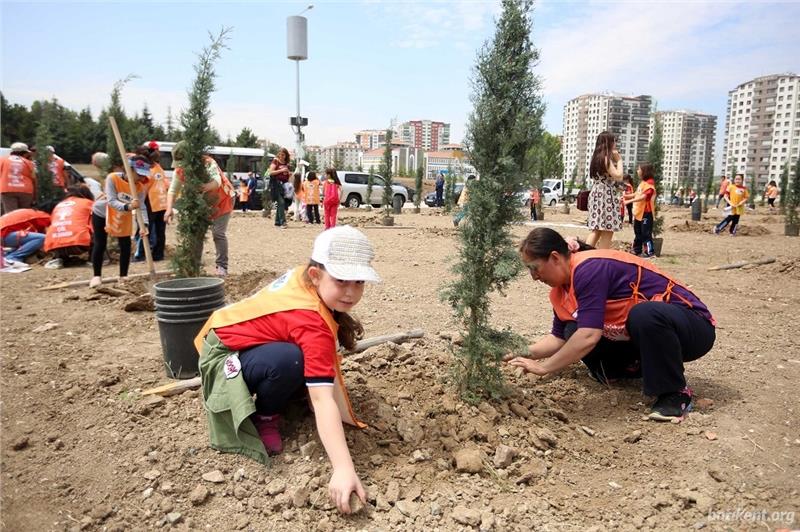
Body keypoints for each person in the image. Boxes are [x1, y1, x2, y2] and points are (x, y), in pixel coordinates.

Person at [195, 226, 380, 513]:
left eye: (359, 281)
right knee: (290, 360)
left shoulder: (306, 280)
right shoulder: (310, 320)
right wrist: (343, 468)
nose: (351, 292)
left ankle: (283, 387)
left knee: (295, 359)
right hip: (223, 355)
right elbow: (322, 398)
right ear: (316, 275)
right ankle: (266, 417)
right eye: (342, 279)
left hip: (238, 339)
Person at [506, 227, 716, 421]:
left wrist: (544, 368)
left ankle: (675, 393)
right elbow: (558, 338)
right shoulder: (560, 291)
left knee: (643, 314)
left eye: (535, 268)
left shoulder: (589, 268)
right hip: (649, 337)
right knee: (573, 329)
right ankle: (624, 371)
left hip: (693, 328)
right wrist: (516, 352)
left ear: (554, 257)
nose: (533, 277)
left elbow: (589, 336)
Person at [165, 141, 235, 276]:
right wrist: (168, 209)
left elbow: (216, 182)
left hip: (223, 199)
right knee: (197, 234)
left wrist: (200, 188)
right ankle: (194, 265)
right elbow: (172, 190)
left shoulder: (208, 162)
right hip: (201, 204)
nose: (181, 167)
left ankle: (222, 267)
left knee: (218, 233)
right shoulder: (179, 171)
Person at [90, 156, 151, 288]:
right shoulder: (113, 178)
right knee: (100, 243)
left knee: (125, 245)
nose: (141, 178)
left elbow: (141, 207)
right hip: (102, 213)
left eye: (143, 175)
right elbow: (111, 201)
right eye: (139, 174)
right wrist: (128, 207)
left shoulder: (140, 187)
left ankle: (123, 276)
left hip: (123, 216)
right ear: (129, 170)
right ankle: (96, 276)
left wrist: (144, 225)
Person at [586, 132, 623, 249]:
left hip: (597, 192)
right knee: (608, 229)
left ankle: (583, 255)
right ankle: (601, 257)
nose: (615, 144)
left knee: (596, 229)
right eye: (613, 141)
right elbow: (618, 176)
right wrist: (619, 160)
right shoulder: (606, 159)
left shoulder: (596, 158)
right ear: (608, 143)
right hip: (605, 195)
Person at [43, 185, 95, 268]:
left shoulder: (59, 205)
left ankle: (59, 258)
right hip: (78, 244)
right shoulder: (88, 203)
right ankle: (94, 259)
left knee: (62, 227)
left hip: (54, 245)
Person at [135, 143, 169, 262]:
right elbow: (166, 184)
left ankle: (140, 255)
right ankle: (158, 255)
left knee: (144, 228)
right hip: (162, 201)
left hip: (150, 201)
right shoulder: (158, 167)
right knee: (160, 231)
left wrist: (137, 200)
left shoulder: (146, 170)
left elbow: (143, 188)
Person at [624, 163, 656, 258]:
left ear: (644, 171)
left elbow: (643, 197)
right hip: (638, 213)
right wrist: (625, 196)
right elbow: (636, 194)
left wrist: (629, 201)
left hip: (646, 213)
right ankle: (637, 250)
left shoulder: (649, 183)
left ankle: (649, 252)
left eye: (639, 169)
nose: (637, 171)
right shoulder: (642, 183)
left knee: (646, 233)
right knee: (638, 232)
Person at [0, 142, 37, 214]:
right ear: (24, 153)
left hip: (7, 190)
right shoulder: (29, 163)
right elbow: (34, 181)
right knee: (24, 215)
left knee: (11, 215)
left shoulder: (2, 160)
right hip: (26, 191)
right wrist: (34, 197)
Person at [269, 148, 292, 227]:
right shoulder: (275, 161)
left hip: (285, 185)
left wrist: (289, 174)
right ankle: (283, 222)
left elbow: (288, 176)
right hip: (276, 184)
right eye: (280, 154)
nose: (281, 156)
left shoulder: (287, 164)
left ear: (286, 155)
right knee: (281, 202)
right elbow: (271, 172)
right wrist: (281, 171)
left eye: (283, 155)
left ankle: (277, 222)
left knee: (282, 203)